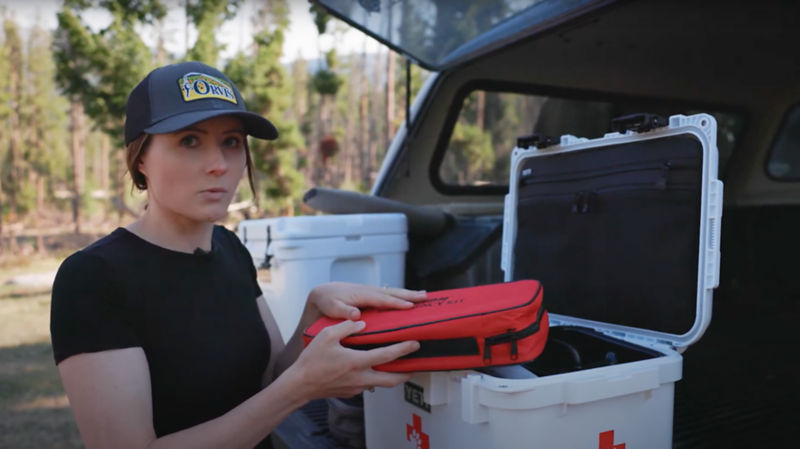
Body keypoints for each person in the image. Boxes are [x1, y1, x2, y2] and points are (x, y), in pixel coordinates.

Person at [49, 61, 425, 449]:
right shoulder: (93, 279)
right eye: (189, 141)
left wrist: (314, 314)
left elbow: (269, 381)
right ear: (140, 157)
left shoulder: (229, 248)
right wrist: (297, 390)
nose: (220, 165)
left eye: (231, 142)